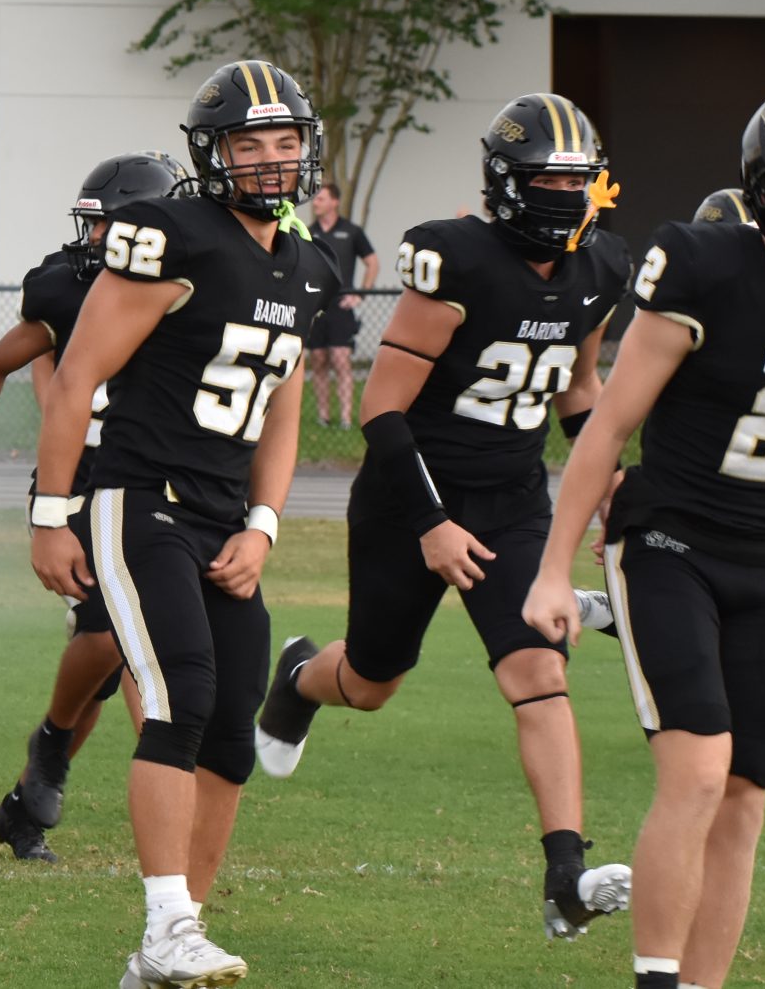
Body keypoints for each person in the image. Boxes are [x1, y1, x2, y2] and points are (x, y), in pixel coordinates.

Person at [523, 81, 765, 989]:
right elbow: (610, 425)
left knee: (746, 794)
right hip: (669, 539)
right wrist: (551, 569)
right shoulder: (700, 262)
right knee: (699, 771)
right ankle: (656, 978)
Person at [255, 93, 632, 943]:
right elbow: (383, 411)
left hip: (511, 498)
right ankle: (299, 680)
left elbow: (578, 389)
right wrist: (430, 522)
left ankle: (565, 871)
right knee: (372, 682)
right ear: (507, 183)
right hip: (408, 494)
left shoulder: (602, 267)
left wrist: (610, 481)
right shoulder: (453, 257)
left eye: (579, 179)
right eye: (548, 179)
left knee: (538, 669)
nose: (567, 195)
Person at [31, 59, 324, 989]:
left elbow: (284, 407)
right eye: (250, 142)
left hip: (223, 516)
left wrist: (266, 524)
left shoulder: (304, 258)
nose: (272, 160)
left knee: (232, 731)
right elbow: (75, 376)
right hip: (137, 495)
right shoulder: (171, 234)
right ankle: (167, 921)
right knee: (179, 696)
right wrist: (50, 513)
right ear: (214, 153)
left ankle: (170, 943)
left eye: (286, 141)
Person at [0, 149, 187, 863]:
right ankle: (62, 747)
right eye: (96, 225)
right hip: (80, 477)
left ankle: (27, 801)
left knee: (123, 663)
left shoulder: (200, 277)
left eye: (116, 226)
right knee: (117, 640)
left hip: (163, 479)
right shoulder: (64, 284)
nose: (100, 241)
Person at [302, 181, 377, 428]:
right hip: (317, 305)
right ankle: (323, 416)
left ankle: (345, 417)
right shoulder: (307, 232)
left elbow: (372, 262)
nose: (316, 203)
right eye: (315, 199)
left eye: (321, 199)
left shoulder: (352, 232)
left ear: (334, 202)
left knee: (341, 358)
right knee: (319, 359)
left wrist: (360, 294)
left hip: (342, 306)